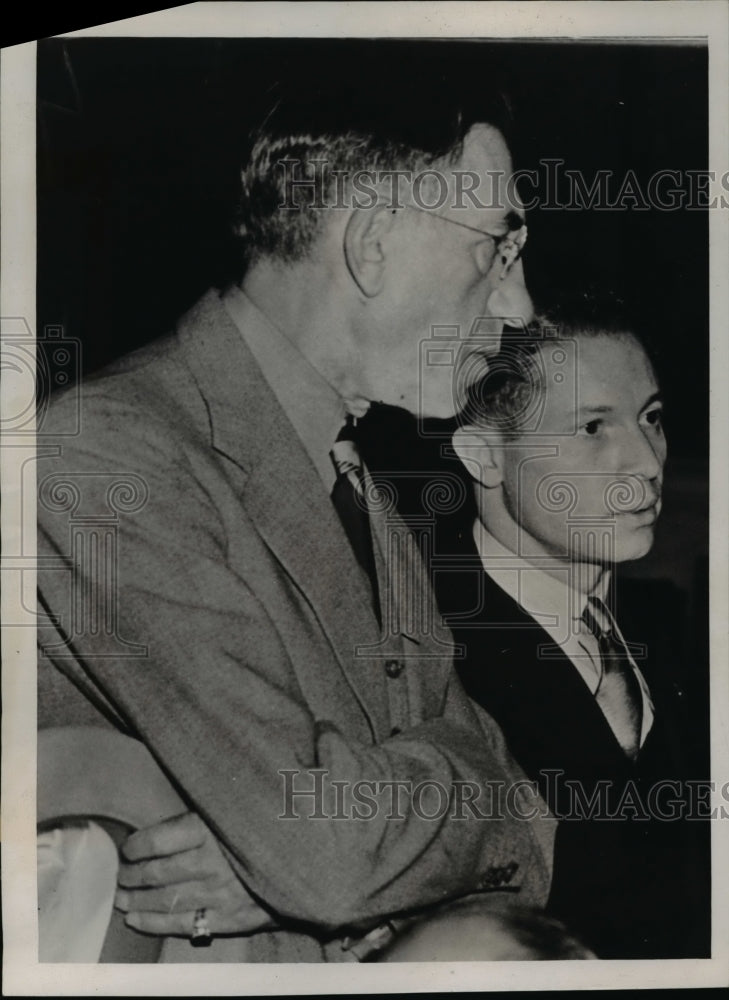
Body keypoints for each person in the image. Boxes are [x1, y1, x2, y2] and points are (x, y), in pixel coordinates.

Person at [37, 65, 558, 962]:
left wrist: (291, 849)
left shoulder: (354, 486)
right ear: (371, 243)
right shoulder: (103, 455)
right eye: (497, 250)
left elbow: (533, 824)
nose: (517, 306)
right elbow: (328, 853)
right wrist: (308, 847)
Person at [439, 297, 710, 958]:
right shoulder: (424, 648)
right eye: (592, 427)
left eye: (651, 418)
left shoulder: (673, 626)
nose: (646, 462)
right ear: (484, 455)